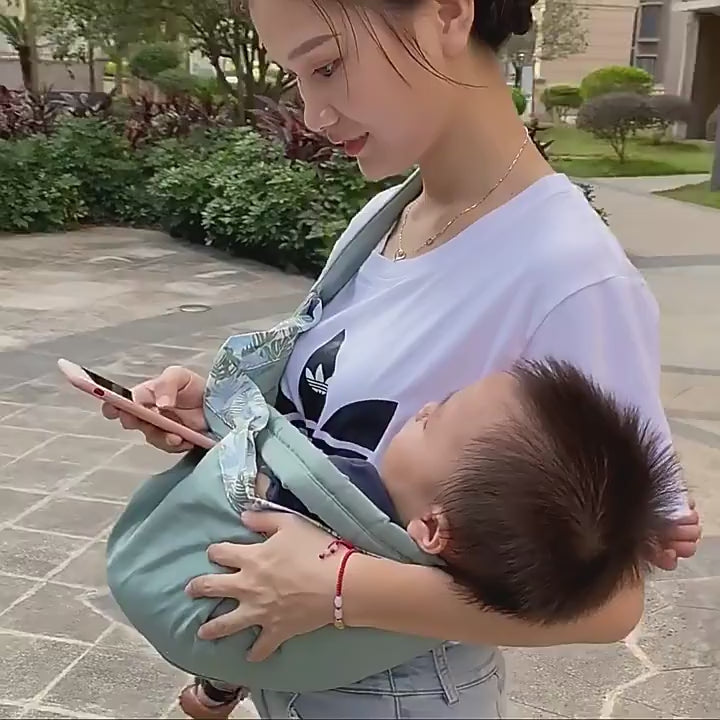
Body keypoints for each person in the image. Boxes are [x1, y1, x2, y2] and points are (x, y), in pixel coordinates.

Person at [102, 0, 702, 716]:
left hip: (400, 689)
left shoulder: (572, 278)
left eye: (327, 65)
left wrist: (340, 587)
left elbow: (611, 605)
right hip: (302, 666)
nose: (314, 114)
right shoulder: (388, 217)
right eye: (297, 77)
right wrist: (219, 418)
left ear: (446, 13)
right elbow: (345, 439)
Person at [175, 358, 681, 718]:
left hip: (383, 699)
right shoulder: (461, 546)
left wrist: (226, 434)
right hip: (445, 682)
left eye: (432, 420)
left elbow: (249, 524)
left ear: (433, 529)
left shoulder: (344, 496)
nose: (421, 408)